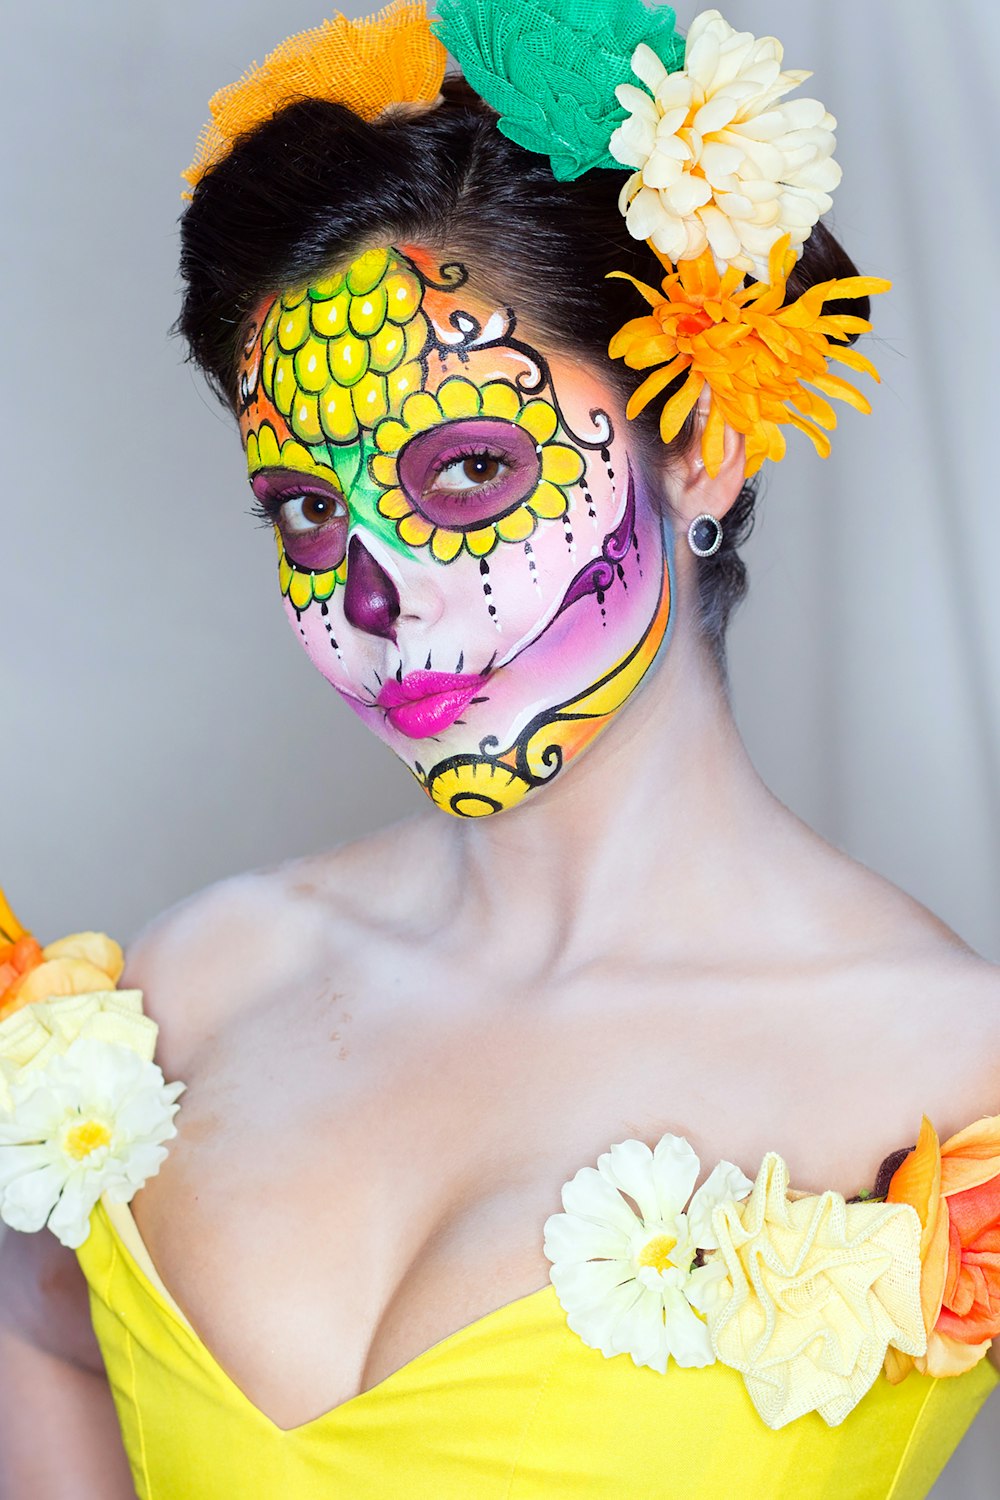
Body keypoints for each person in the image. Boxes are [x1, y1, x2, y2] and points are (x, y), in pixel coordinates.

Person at [1, 2, 998, 1496]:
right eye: (308, 511)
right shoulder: (197, 986)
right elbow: (44, 1337)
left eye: (469, 472)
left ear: (699, 439)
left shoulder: (950, 1080)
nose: (376, 598)